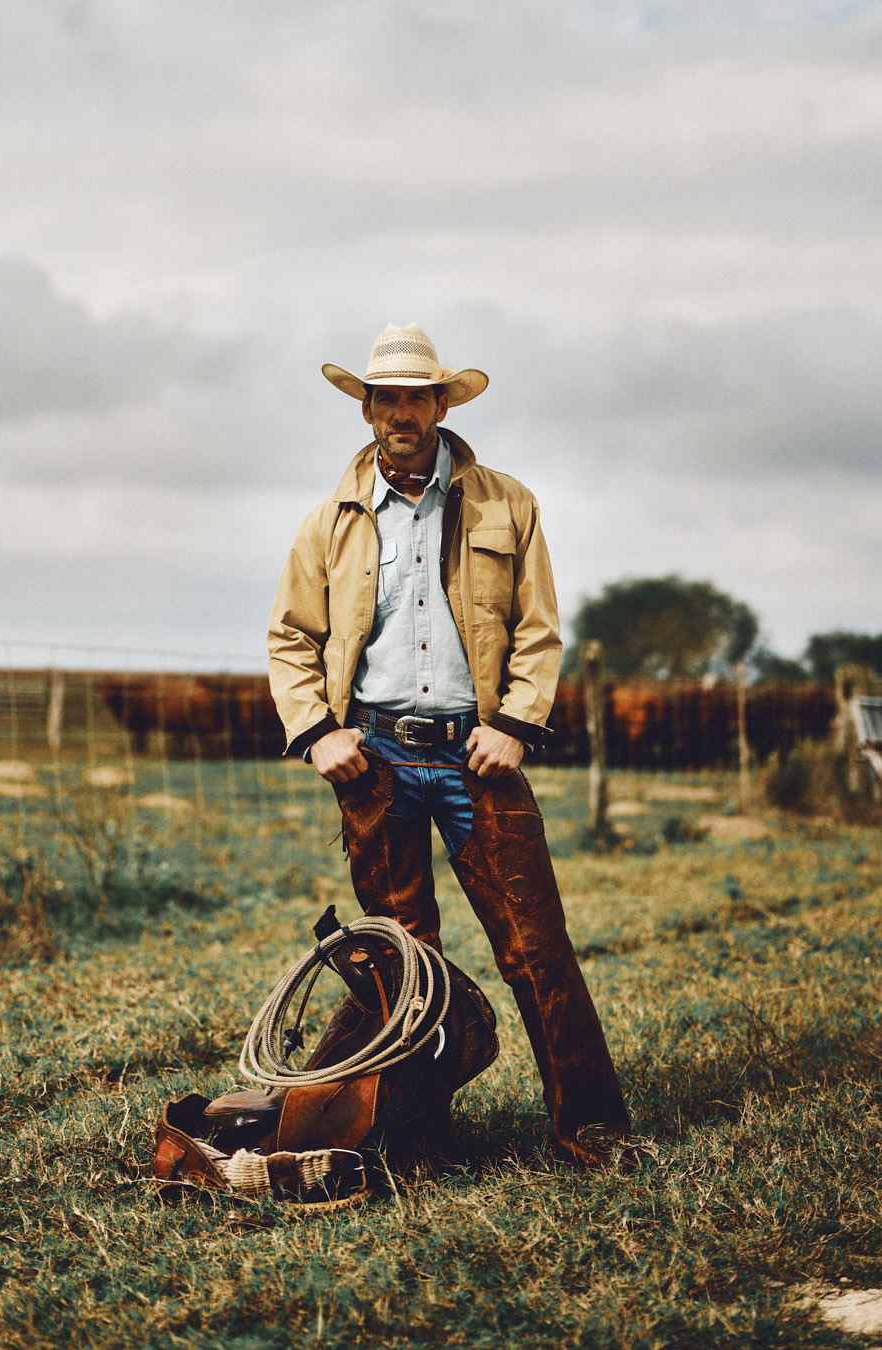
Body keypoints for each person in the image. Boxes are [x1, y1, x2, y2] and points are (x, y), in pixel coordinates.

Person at [267, 322, 631, 1169]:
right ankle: (420, 1136)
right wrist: (319, 732)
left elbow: (538, 632)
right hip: (376, 760)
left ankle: (591, 1127)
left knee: (536, 946)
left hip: (480, 753)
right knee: (403, 961)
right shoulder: (330, 522)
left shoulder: (509, 502)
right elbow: (291, 637)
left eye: (416, 395)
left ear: (440, 402)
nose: (400, 411)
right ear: (366, 410)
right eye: (384, 397)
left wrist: (512, 724)